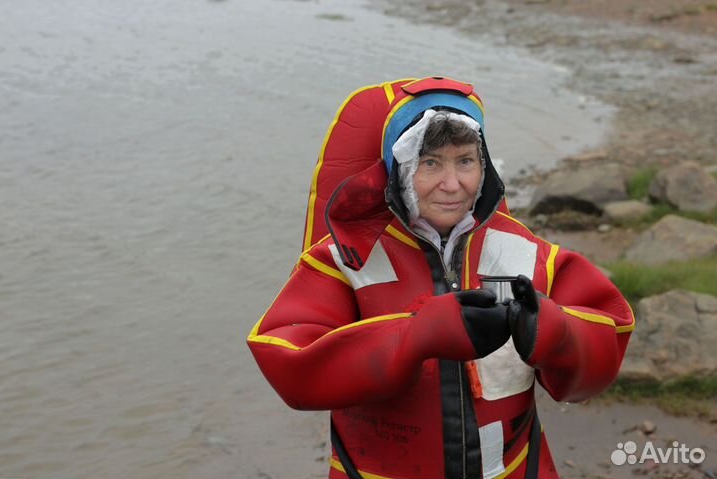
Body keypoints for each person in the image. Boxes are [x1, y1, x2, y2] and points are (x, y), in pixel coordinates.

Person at [247, 77, 634, 479]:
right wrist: (414, 336)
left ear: (484, 166)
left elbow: (608, 339)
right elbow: (290, 368)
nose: (453, 184)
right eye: (430, 163)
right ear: (396, 170)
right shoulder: (344, 260)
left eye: (466, 161)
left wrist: (558, 333)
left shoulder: (527, 253)